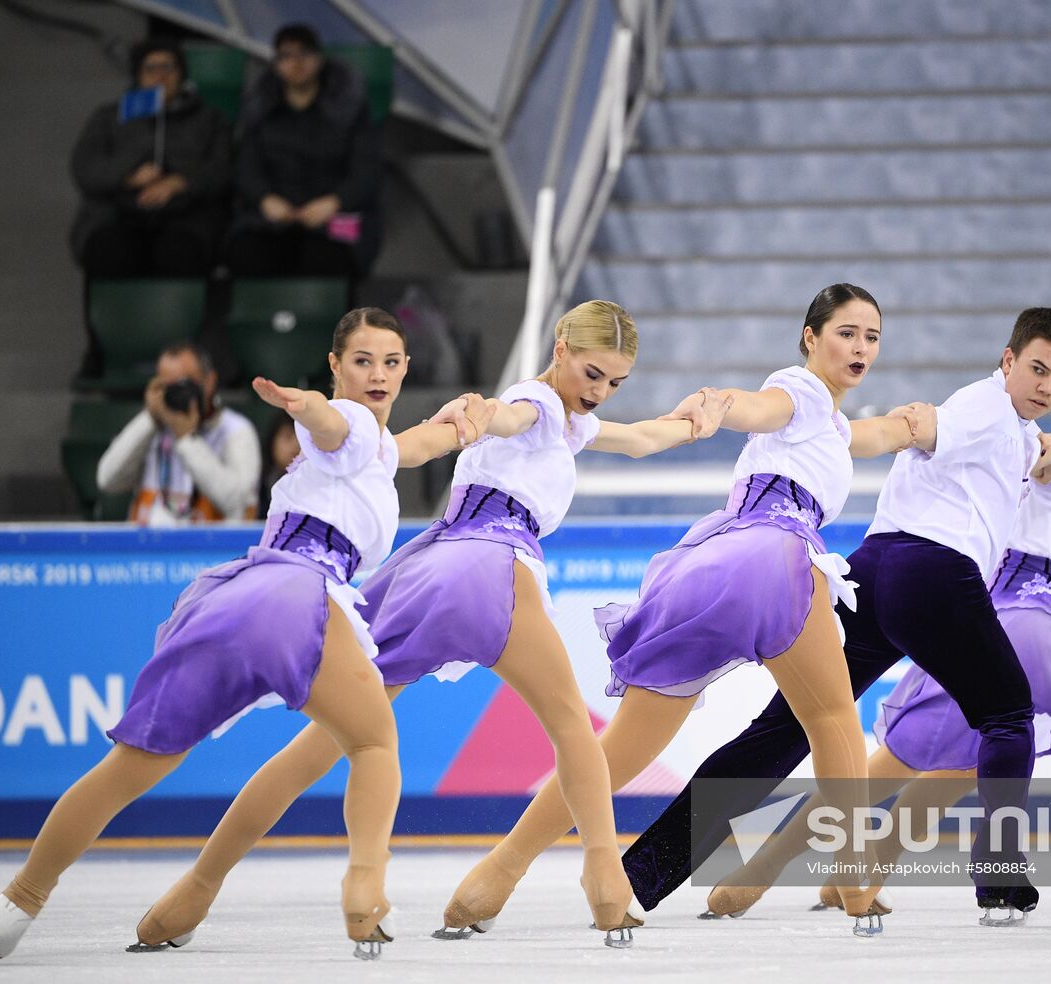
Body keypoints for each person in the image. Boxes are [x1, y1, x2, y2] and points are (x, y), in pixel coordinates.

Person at [130, 300, 732, 949]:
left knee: (322, 746)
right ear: (559, 349)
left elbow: (635, 438)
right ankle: (605, 885)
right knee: (571, 730)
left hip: (428, 571)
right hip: (494, 567)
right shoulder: (537, 404)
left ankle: (193, 892)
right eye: (593, 374)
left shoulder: (570, 418)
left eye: (614, 382)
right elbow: (510, 414)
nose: (600, 392)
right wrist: (481, 412)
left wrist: (692, 422)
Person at [0, 307, 494, 964]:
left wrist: (472, 418)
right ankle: (364, 895)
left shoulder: (379, 450)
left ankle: (15, 904)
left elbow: (420, 443)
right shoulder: (346, 423)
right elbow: (333, 424)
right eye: (362, 360)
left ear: (407, 367)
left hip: (238, 595)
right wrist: (306, 405)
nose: (378, 374)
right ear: (334, 366)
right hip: (301, 598)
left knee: (134, 764)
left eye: (390, 361)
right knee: (374, 739)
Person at [431, 283, 923, 939]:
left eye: (872, 336)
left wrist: (940, 427)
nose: (861, 346)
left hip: (711, 569)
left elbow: (877, 433)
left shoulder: (829, 426)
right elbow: (761, 405)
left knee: (619, 750)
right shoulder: (799, 393)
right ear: (810, 338)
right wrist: (722, 404)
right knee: (832, 716)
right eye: (847, 332)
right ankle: (856, 883)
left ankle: (494, 877)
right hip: (776, 560)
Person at [621, 307, 1051, 926]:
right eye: (1036, 369)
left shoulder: (1019, 432)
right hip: (933, 574)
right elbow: (905, 432)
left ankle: (647, 870)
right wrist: (858, 428)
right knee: (1007, 715)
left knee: (783, 731)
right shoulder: (983, 408)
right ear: (1007, 361)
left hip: (874, 571)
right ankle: (1000, 881)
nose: (1045, 387)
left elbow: (1042, 458)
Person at [704, 357, 1051, 919]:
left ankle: (776, 871)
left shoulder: (1044, 460)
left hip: (972, 617)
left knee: (924, 767)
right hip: (1026, 623)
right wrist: (1045, 448)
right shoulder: (1048, 452)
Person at [225, 24, 379, 279]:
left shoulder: (350, 110)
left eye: (304, 53)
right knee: (247, 252)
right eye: (286, 55)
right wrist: (265, 199)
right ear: (275, 64)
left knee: (329, 258)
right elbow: (246, 168)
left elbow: (366, 172)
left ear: (319, 59)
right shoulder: (258, 111)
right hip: (269, 219)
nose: (296, 63)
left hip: (335, 217)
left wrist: (334, 202)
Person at [70, 38, 232, 277]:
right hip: (117, 215)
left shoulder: (209, 119)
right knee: (110, 251)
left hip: (186, 216)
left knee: (179, 252)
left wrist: (180, 183)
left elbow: (223, 170)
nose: (160, 76)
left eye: (168, 67)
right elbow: (86, 169)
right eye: (151, 68)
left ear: (181, 75)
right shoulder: (108, 117)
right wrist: (128, 178)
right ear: (138, 76)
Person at [96, 341, 261, 525]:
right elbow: (107, 480)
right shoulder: (151, 427)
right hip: (146, 548)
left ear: (209, 381)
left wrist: (187, 440)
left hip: (209, 550)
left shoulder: (236, 430)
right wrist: (149, 419)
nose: (176, 394)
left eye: (184, 384)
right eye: (167, 386)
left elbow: (239, 503)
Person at [259, 414, 301, 516]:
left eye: (301, 438)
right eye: (288, 436)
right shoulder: (259, 482)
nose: (296, 445)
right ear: (272, 442)